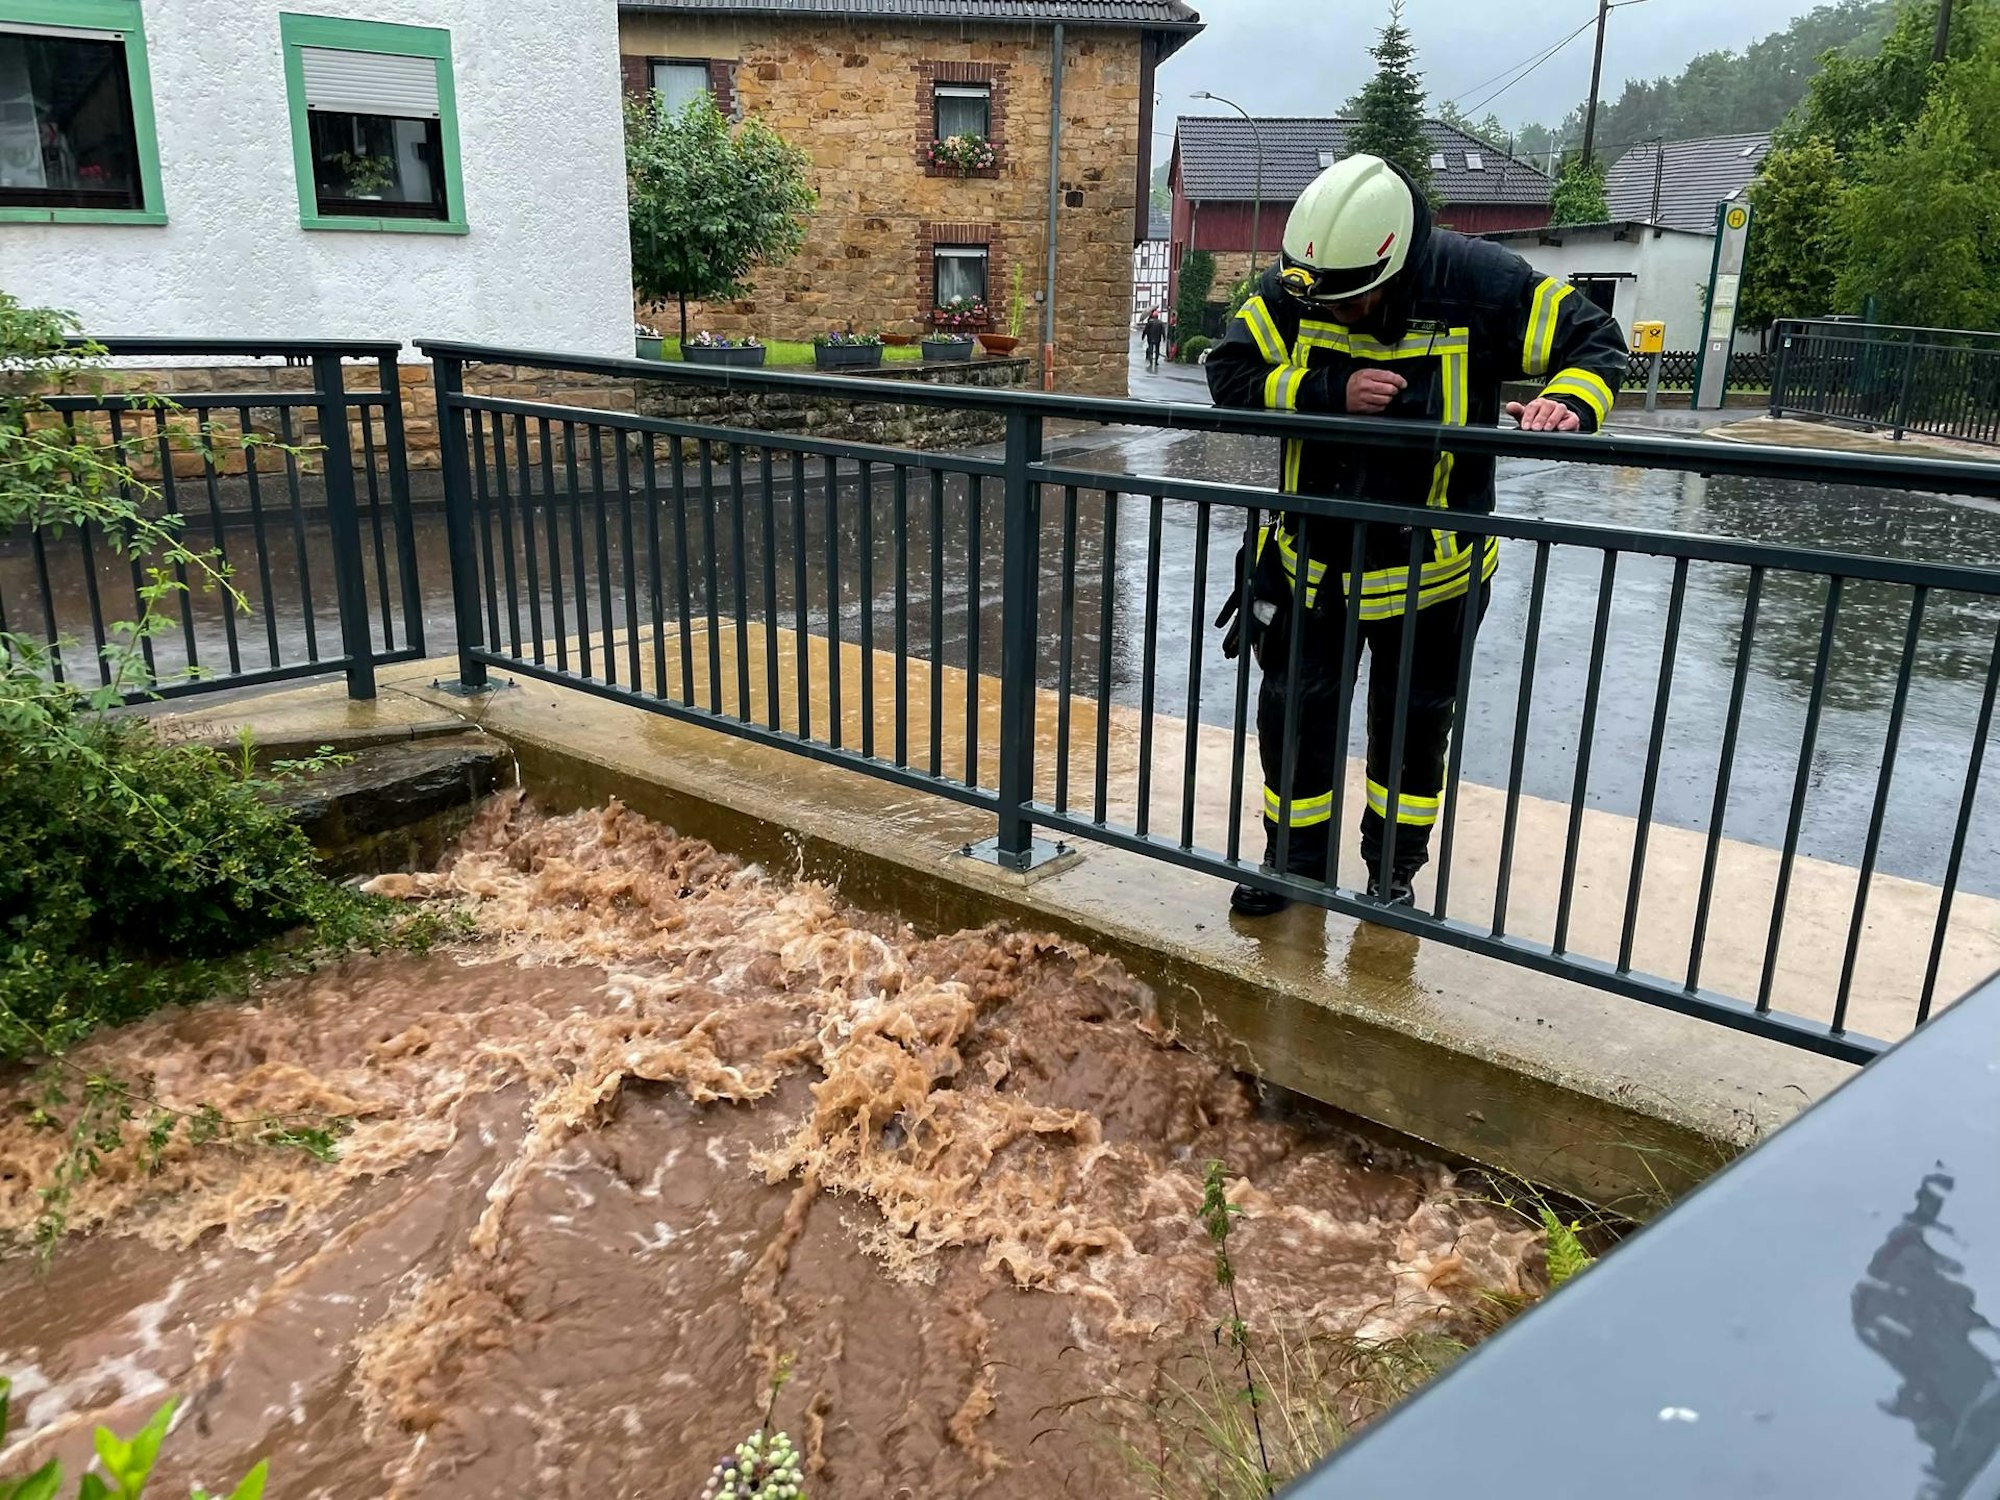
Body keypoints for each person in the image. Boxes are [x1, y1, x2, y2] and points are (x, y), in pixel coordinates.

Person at [1207, 153, 1627, 917]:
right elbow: (1231, 375)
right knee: (1293, 721)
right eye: (1325, 301)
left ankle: (1392, 876)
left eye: (1354, 300)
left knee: (1413, 736)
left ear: (1395, 263)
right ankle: (1293, 867)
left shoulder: (1481, 283)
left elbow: (1597, 343)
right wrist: (1329, 390)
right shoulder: (1303, 286)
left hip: (1436, 581)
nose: (1336, 314)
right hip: (1313, 573)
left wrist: (1567, 400)